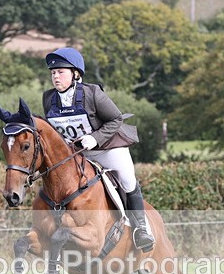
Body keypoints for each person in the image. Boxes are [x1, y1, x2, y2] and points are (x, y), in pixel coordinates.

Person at [42, 47, 155, 252]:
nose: (55, 76)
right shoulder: (49, 98)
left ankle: (141, 228)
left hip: (107, 149)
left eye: (60, 72)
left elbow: (116, 119)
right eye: (53, 73)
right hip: (78, 155)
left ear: (75, 74)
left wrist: (94, 138)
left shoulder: (92, 93)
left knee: (127, 179)